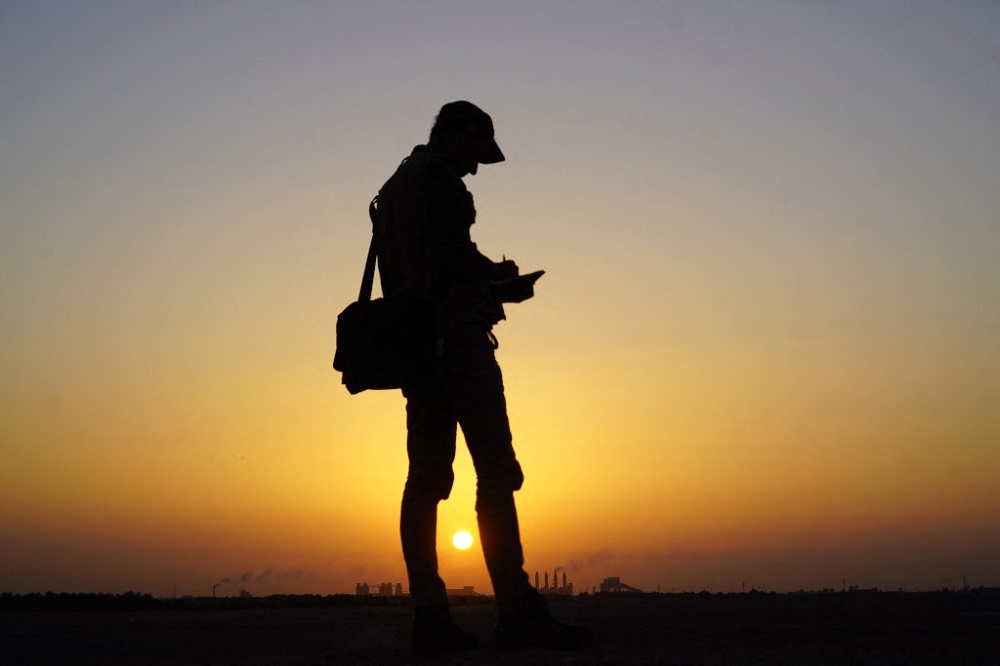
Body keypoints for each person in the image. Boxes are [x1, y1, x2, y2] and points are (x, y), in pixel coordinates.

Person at [372, 101, 591, 655]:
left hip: (417, 352)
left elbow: (419, 266)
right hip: (458, 346)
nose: (476, 168)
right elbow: (451, 260)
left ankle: (430, 617)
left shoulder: (395, 184)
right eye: (477, 152)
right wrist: (503, 282)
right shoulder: (439, 178)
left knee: (425, 482)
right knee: (496, 473)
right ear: (463, 135)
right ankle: (517, 612)